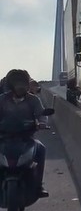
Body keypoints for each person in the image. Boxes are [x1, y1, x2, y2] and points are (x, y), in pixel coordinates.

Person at [0, 69, 49, 197]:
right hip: (3, 137)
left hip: (26, 137)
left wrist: (42, 123)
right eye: (17, 84)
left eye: (23, 84)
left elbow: (41, 114)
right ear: (11, 86)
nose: (21, 88)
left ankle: (38, 186)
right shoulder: (2, 100)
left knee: (41, 149)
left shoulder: (33, 100)